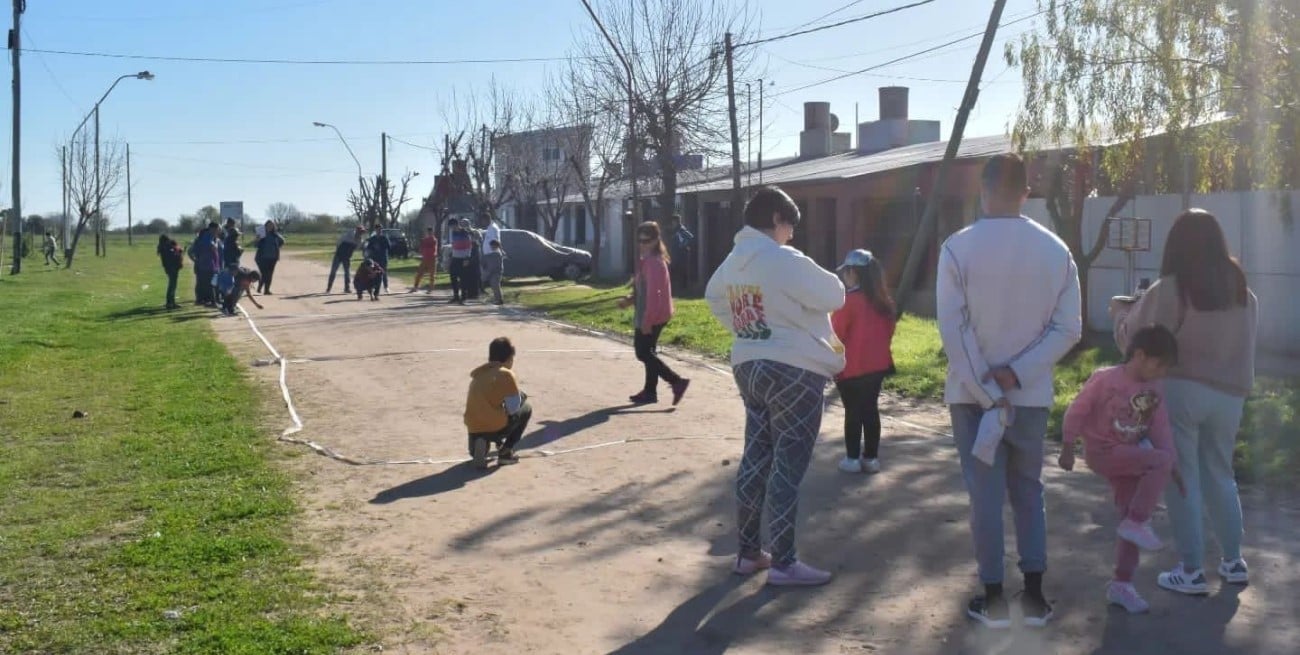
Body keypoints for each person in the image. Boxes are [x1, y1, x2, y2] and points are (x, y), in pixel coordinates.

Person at [936, 153, 1082, 629]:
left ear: (983, 190)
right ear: (1026, 191)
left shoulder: (957, 248)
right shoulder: (1057, 251)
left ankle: (993, 597)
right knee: (1028, 491)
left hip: (972, 399)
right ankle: (1035, 596)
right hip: (1030, 395)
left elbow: (953, 329)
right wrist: (1016, 374)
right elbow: (1067, 330)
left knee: (985, 497)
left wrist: (983, 385)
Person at [1111, 209, 1258, 596]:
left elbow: (1135, 343)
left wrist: (1121, 313)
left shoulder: (1170, 288)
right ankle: (1233, 561)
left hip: (1180, 393)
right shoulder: (1244, 292)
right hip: (1230, 395)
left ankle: (1191, 569)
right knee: (1221, 476)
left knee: (1183, 480)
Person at [705, 186, 846, 587]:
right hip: (795, 369)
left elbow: (714, 298)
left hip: (749, 364)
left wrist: (747, 329)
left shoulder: (732, 263)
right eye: (790, 227)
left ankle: (749, 552)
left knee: (756, 457)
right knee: (788, 465)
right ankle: (785, 562)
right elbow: (834, 294)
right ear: (778, 221)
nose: (791, 235)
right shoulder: (784, 259)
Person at [1060, 325, 1186, 614]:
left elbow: (1160, 428)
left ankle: (1122, 584)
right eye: (1159, 364)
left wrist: (1174, 467)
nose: (1162, 372)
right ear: (1140, 355)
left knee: (1130, 519)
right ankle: (1138, 520)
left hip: (1128, 456)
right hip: (1102, 452)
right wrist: (1067, 445)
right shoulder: (1106, 379)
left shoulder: (1154, 389)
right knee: (1155, 472)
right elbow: (1077, 410)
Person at [830, 249, 896, 474]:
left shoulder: (847, 302)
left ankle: (851, 458)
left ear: (853, 274)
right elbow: (888, 332)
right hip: (877, 366)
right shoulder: (884, 302)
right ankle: (871, 458)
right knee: (870, 410)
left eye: (846, 272)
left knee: (853, 412)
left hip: (851, 368)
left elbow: (836, 335)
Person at [618, 221, 690, 406]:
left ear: (656, 240)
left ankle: (676, 381)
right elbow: (641, 290)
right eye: (640, 240)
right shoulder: (645, 261)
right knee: (648, 352)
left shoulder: (654, 262)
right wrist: (629, 300)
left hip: (654, 314)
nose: (642, 244)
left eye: (646, 240)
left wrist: (647, 320)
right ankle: (650, 392)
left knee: (643, 353)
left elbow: (654, 296)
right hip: (648, 312)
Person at [464, 337, 533, 470]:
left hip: (473, 425)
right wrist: (521, 397)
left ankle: (478, 446)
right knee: (526, 408)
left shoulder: (479, 374)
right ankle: (505, 452)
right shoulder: (506, 374)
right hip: (495, 424)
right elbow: (513, 409)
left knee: (489, 410)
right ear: (508, 359)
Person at [188, 222, 223, 307]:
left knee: (206, 283)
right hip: (207, 264)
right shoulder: (206, 237)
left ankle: (203, 300)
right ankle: (212, 302)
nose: (219, 230)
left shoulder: (212, 237)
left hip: (211, 264)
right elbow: (210, 247)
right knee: (210, 284)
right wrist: (196, 260)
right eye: (218, 229)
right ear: (212, 229)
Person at [327, 225, 365, 294]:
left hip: (347, 257)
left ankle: (347, 288)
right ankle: (329, 288)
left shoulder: (360, 240)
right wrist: (338, 250)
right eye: (360, 231)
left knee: (347, 272)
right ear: (356, 230)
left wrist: (358, 241)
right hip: (338, 255)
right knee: (333, 271)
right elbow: (339, 241)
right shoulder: (349, 235)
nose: (360, 233)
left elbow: (357, 248)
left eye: (362, 232)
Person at [479, 214, 506, 305]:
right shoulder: (490, 228)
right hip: (490, 255)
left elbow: (496, 242)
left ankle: (480, 291)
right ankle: (498, 299)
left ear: (487, 219)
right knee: (493, 280)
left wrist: (498, 250)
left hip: (493, 256)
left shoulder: (493, 228)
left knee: (486, 276)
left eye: (483, 220)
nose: (482, 222)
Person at [253, 220, 285, 295]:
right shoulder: (262, 234)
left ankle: (266, 290)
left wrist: (277, 246)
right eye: (268, 225)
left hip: (273, 258)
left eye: (272, 226)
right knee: (264, 274)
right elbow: (255, 245)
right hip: (261, 258)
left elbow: (282, 241)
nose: (270, 227)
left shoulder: (275, 235)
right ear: (265, 226)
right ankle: (260, 287)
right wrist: (257, 239)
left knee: (270, 274)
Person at [447, 219, 474, 304]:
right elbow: (453, 244)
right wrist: (451, 255)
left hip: (464, 258)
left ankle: (463, 297)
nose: (451, 228)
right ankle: (456, 296)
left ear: (456, 224)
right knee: (453, 276)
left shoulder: (465, 232)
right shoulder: (452, 233)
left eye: (452, 226)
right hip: (455, 257)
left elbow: (469, 246)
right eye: (450, 227)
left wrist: (467, 258)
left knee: (463, 278)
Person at [156, 234, 184, 310]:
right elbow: (173, 256)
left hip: (169, 268)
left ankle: (171, 302)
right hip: (172, 268)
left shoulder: (163, 247)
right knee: (172, 286)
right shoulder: (167, 248)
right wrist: (180, 252)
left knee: (172, 285)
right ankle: (170, 303)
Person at [667, 214, 694, 293]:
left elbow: (690, 237)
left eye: (674, 221)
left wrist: (682, 245)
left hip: (681, 254)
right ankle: (676, 288)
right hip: (675, 253)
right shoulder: (675, 230)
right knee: (674, 270)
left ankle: (683, 288)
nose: (673, 223)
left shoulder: (681, 230)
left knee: (682, 271)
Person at [411, 226, 440, 293]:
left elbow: (432, 246)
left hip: (432, 258)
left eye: (430, 232)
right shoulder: (425, 240)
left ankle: (430, 289)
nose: (429, 233)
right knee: (419, 273)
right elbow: (421, 248)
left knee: (432, 275)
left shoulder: (434, 239)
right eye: (428, 232)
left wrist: (423, 243)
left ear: (432, 232)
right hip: (425, 258)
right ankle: (415, 287)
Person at [364, 227, 392, 293]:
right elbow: (368, 247)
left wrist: (381, 246)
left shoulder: (384, 238)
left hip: (383, 257)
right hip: (375, 258)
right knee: (374, 272)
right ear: (375, 230)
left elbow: (389, 247)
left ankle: (386, 287)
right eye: (377, 229)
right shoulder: (373, 238)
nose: (379, 231)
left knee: (384, 272)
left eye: (380, 229)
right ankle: (373, 287)